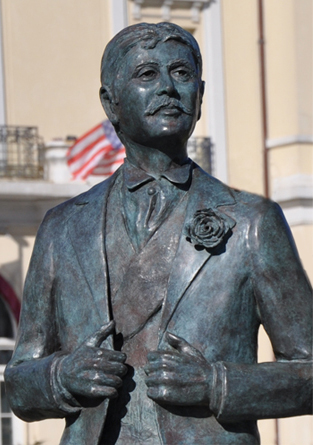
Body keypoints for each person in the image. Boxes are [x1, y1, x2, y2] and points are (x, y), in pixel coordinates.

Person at [5, 22, 312, 445]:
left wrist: (218, 384)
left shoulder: (251, 222)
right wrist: (61, 376)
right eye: (147, 74)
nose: (168, 87)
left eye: (182, 74)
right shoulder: (63, 227)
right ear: (111, 103)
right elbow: (20, 380)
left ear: (200, 97)